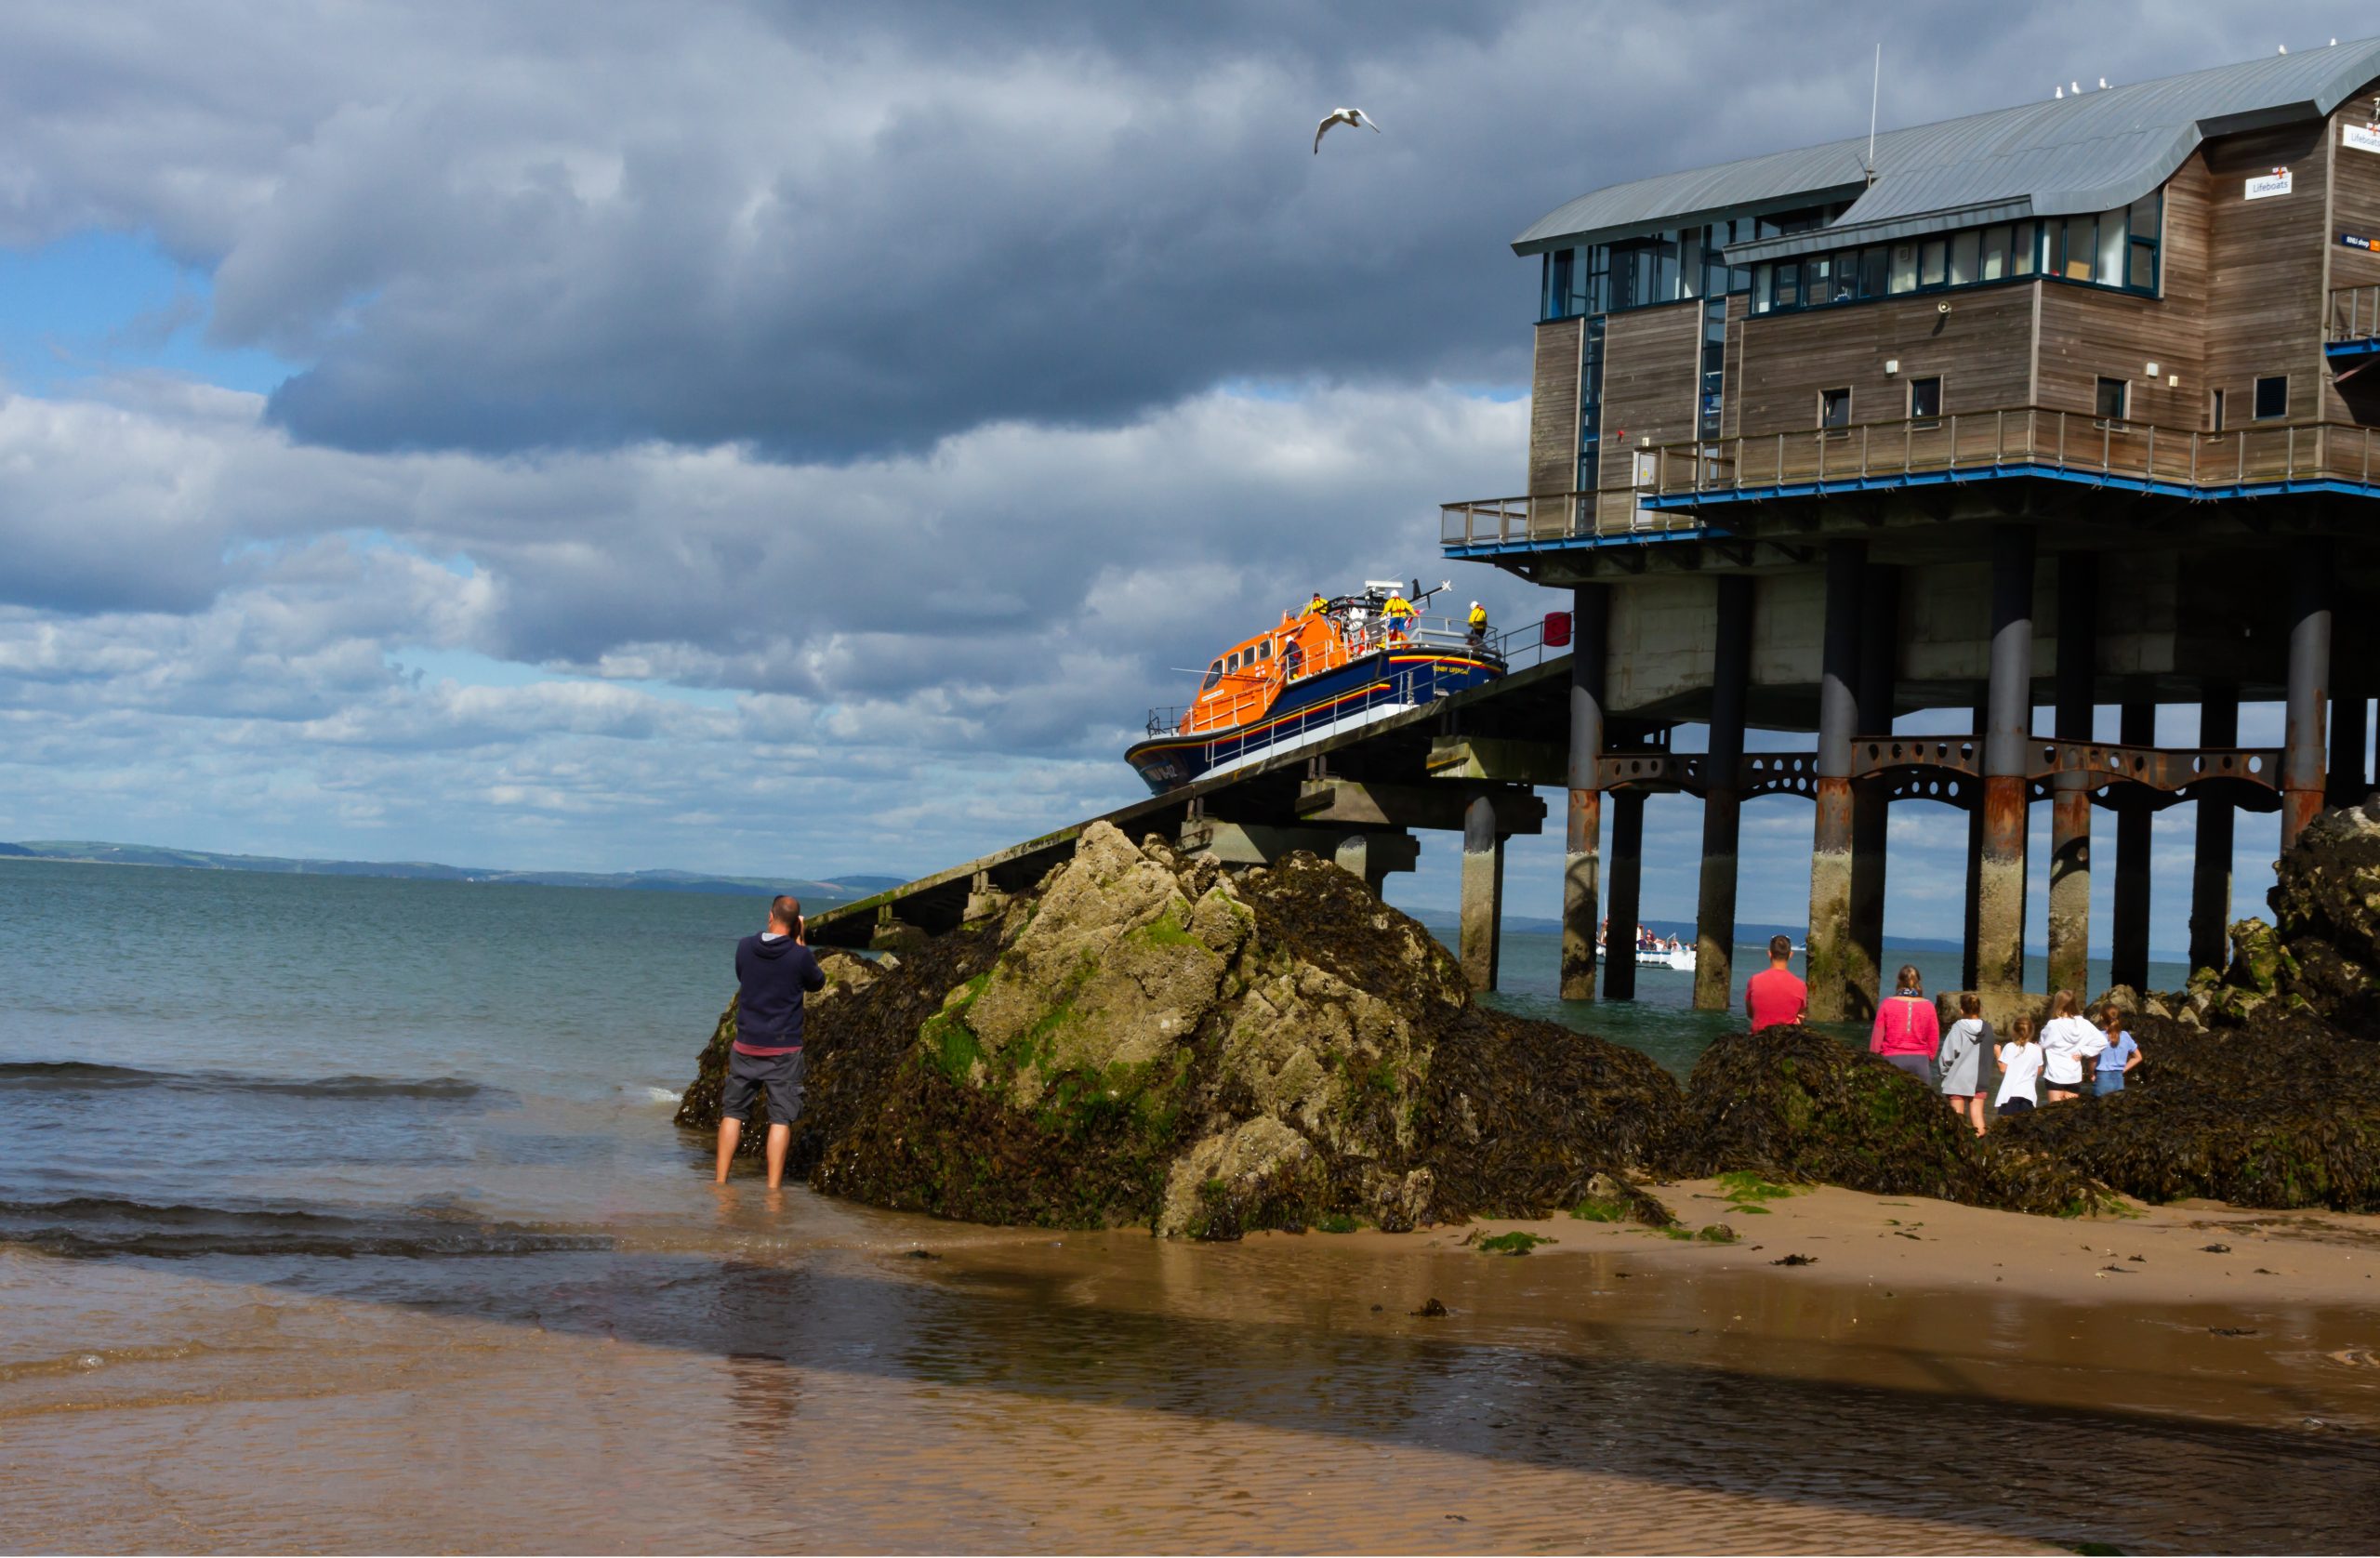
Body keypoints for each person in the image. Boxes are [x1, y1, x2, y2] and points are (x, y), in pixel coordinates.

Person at [716, 894, 826, 1190]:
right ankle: (773, 1189)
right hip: (784, 1049)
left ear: (770, 916)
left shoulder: (744, 947)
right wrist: (801, 943)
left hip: (746, 1044)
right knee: (780, 1119)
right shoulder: (799, 955)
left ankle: (720, 1181)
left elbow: (743, 975)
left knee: (733, 1113)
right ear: (795, 925)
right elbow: (817, 982)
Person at [1869, 963, 1940, 1082]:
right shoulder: (1928, 1006)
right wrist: (1929, 1057)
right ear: (1918, 981)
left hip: (1892, 1059)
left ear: (1899, 981)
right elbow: (1933, 1038)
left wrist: (1873, 1058)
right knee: (1922, 1100)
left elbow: (1877, 1037)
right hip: (1920, 1061)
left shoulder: (1887, 1004)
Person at [2038, 990, 2106, 1103]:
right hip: (2074, 1075)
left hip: (2055, 1074)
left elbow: (2042, 1044)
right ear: (2074, 1004)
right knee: (2069, 1114)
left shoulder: (2053, 1025)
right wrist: (2082, 1051)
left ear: (2057, 1004)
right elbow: (2102, 1042)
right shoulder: (2084, 1023)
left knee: (2054, 1112)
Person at [1938, 993, 1990, 1135]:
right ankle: (1982, 1152)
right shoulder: (1988, 1029)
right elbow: (1987, 1055)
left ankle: (1959, 1151)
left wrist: (1944, 1075)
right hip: (1980, 1079)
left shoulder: (1958, 1027)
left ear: (1961, 1010)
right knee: (1978, 1116)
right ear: (1980, 1009)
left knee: (1957, 1117)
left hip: (1957, 1079)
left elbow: (1948, 1055)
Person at [1745, 934, 1807, 1031]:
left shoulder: (1754, 980)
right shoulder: (1800, 985)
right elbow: (1800, 1016)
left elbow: (1750, 1014)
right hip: (1787, 1040)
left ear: (1769, 953)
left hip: (1758, 1040)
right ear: (1790, 954)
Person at [1995, 1014, 2043, 1116]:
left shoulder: (2010, 1047)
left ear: (2014, 1031)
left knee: (2007, 1127)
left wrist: (1997, 1053)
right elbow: (2039, 1071)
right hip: (2028, 1096)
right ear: (2031, 1032)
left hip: (2009, 1095)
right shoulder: (2036, 1049)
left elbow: (2003, 1069)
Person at [2095, 1004, 2142, 1096]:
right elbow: (2138, 1057)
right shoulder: (2125, 1035)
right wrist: (2122, 1069)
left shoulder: (2098, 1036)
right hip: (2119, 1078)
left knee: (2099, 1107)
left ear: (2101, 1018)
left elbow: (2092, 1057)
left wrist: (2092, 1073)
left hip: (2102, 1078)